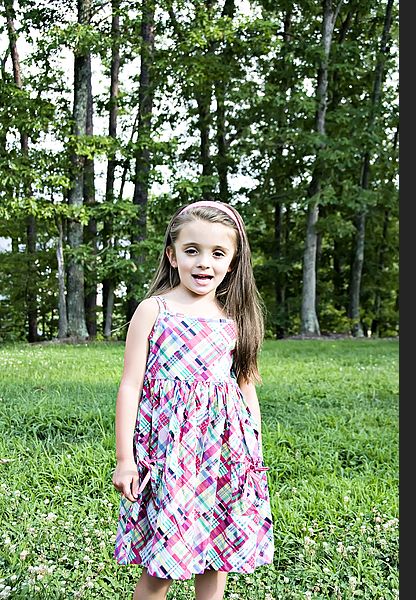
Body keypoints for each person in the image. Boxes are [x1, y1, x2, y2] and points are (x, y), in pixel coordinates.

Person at [112, 200, 274, 600]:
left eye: (218, 253)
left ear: (233, 262)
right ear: (172, 254)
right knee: (162, 564)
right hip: (172, 456)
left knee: (217, 557)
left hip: (224, 455)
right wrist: (124, 459)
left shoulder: (234, 318)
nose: (204, 263)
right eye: (192, 251)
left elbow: (245, 386)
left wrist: (253, 449)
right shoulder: (155, 310)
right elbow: (130, 385)